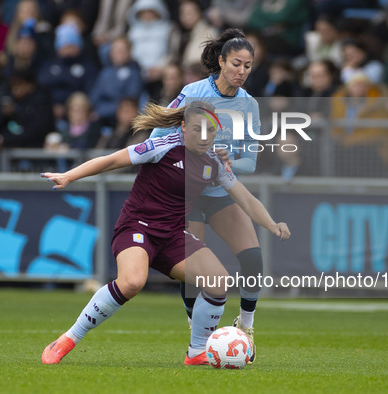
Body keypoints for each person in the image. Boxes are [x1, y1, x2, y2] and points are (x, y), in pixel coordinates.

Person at [39, 101, 290, 365]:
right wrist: (69, 175)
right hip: (137, 227)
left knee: (218, 282)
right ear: (183, 127)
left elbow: (246, 200)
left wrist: (272, 224)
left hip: (172, 235)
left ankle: (197, 352)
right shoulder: (163, 146)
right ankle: (68, 338)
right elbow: (112, 159)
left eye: (210, 130)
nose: (204, 136)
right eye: (197, 129)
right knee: (132, 282)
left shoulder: (214, 162)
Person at [150, 28, 263, 363]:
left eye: (248, 66)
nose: (242, 71)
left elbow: (251, 163)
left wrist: (227, 163)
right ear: (221, 61)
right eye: (236, 64)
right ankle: (195, 328)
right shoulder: (193, 93)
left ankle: (246, 324)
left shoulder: (249, 105)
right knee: (192, 273)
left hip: (221, 191)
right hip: (187, 194)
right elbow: (159, 136)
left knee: (253, 258)